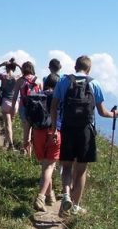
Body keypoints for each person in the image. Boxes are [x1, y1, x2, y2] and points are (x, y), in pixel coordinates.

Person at [50, 55, 118, 217]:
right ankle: (75, 206)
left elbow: (53, 107)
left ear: (75, 66)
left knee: (66, 166)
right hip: (86, 131)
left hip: (67, 128)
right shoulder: (94, 83)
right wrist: (114, 114)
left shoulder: (64, 82)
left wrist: (54, 129)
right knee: (80, 171)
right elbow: (103, 112)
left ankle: (66, 194)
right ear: (89, 69)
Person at [33, 74, 61, 212]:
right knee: (49, 167)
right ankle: (41, 197)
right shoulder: (57, 97)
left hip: (37, 132)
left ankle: (50, 196)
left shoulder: (38, 95)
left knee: (45, 166)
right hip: (53, 132)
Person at [11, 61, 42, 155]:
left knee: (26, 129)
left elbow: (15, 96)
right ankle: (34, 153)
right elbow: (42, 95)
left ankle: (26, 150)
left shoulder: (20, 81)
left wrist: (13, 108)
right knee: (36, 130)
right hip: (37, 108)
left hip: (24, 107)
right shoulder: (38, 80)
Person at [0, 58, 21, 149]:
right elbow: (24, 72)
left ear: (6, 68)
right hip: (15, 104)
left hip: (5, 102)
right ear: (14, 68)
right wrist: (18, 64)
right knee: (11, 123)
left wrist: (1, 64)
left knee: (8, 125)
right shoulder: (17, 77)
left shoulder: (3, 77)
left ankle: (11, 145)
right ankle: (6, 141)